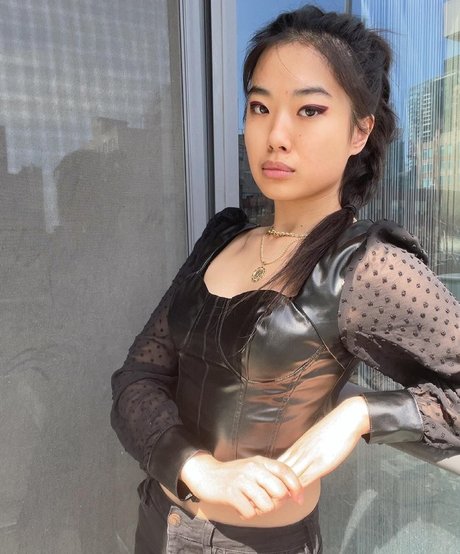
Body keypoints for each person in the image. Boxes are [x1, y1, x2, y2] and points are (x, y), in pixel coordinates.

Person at [111, 5, 460, 553]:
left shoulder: (368, 265)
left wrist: (363, 413)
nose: (275, 135)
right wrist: (198, 468)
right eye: (259, 106)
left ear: (359, 131)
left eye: (310, 110)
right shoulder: (223, 237)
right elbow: (137, 378)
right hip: (160, 524)